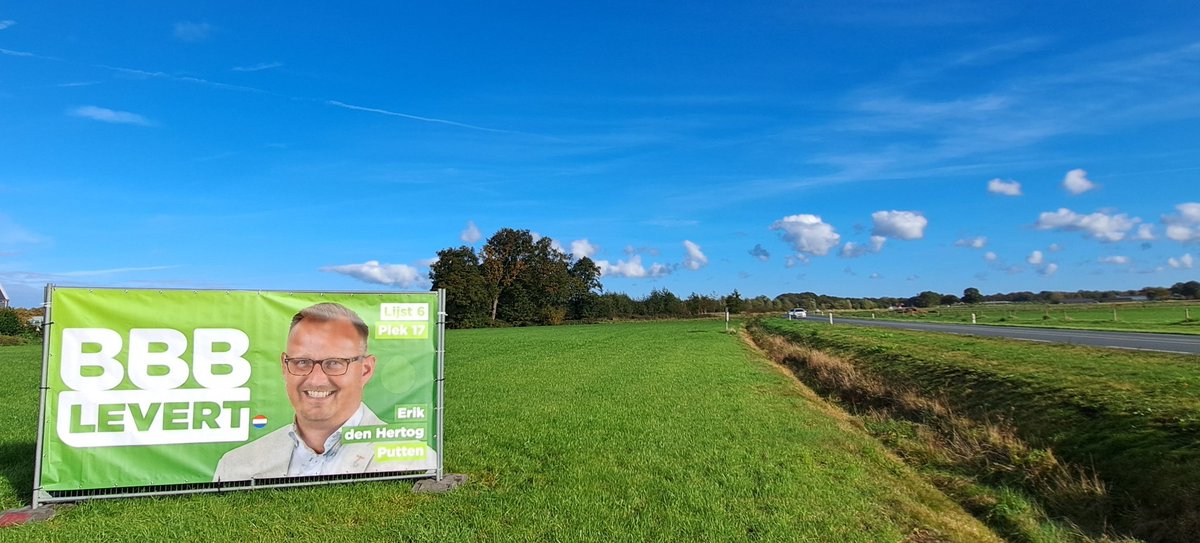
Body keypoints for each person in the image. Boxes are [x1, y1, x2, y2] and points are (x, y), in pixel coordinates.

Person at [213, 302, 436, 481]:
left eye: (335, 363)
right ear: (284, 366)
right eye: (301, 362)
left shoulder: (414, 463)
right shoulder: (235, 465)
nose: (316, 380)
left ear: (365, 370)